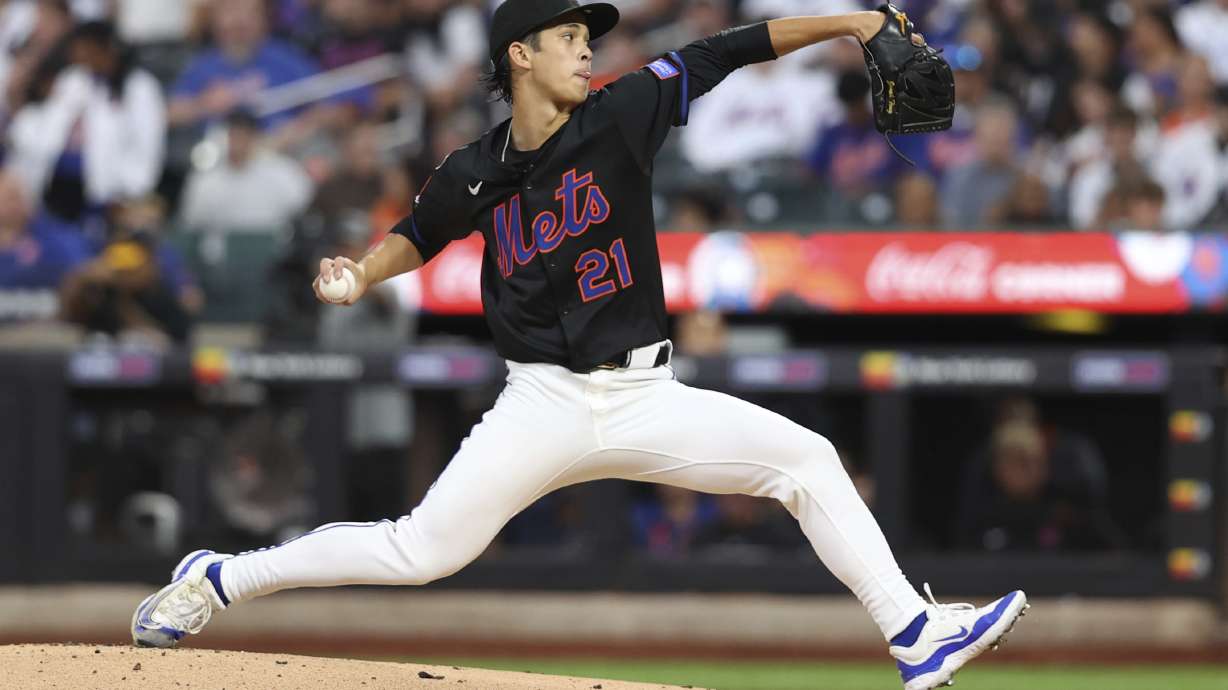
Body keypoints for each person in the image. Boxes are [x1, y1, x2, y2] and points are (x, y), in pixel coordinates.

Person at [131, 4, 1028, 689]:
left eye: (588, 36)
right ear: (520, 54)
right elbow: (420, 231)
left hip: (647, 395)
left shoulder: (623, 111)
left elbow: (731, 48)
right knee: (421, 552)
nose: (588, 46)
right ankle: (220, 577)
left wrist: (856, 21)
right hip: (542, 402)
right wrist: (360, 276)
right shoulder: (471, 168)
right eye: (568, 36)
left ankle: (912, 632)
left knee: (807, 460)